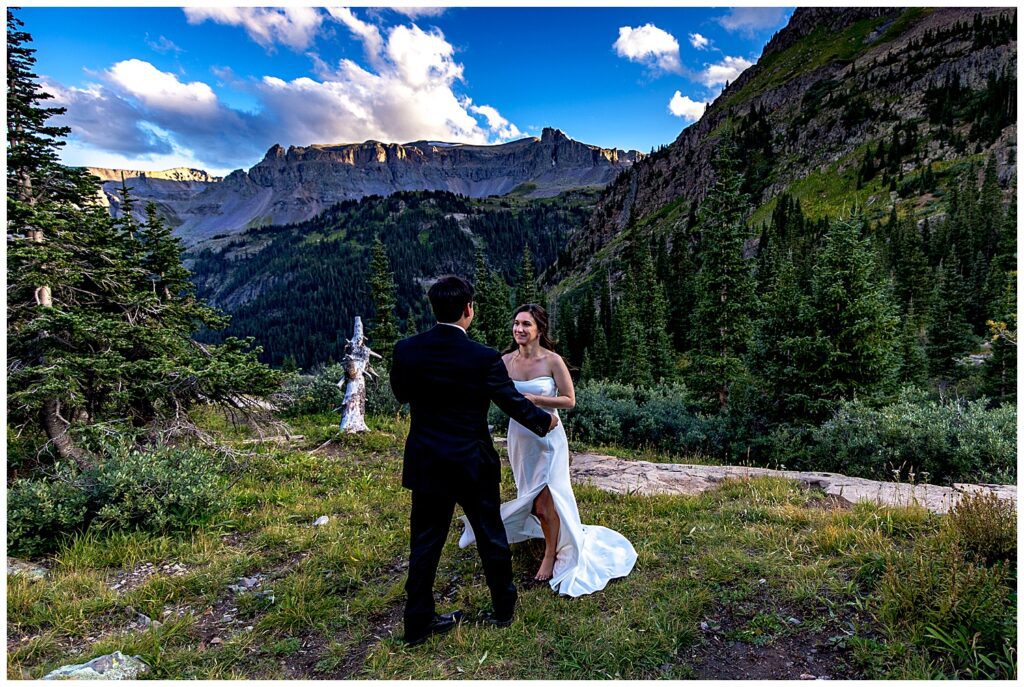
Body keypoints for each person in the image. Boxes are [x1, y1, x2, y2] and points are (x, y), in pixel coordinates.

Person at [390, 276, 559, 647]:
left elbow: (401, 394)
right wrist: (544, 421)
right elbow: (509, 400)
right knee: (490, 536)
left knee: (425, 542)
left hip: (427, 461)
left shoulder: (406, 350)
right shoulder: (482, 357)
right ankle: (503, 608)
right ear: (468, 310)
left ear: (434, 309)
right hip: (472, 462)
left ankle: (417, 623)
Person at [460, 304, 637, 597]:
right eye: (516, 323)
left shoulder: (553, 361)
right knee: (532, 497)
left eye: (526, 324)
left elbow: (569, 400)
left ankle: (551, 554)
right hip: (520, 438)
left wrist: (536, 400)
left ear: (539, 329)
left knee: (546, 501)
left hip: (549, 438)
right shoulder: (504, 361)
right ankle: (548, 534)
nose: (519, 329)